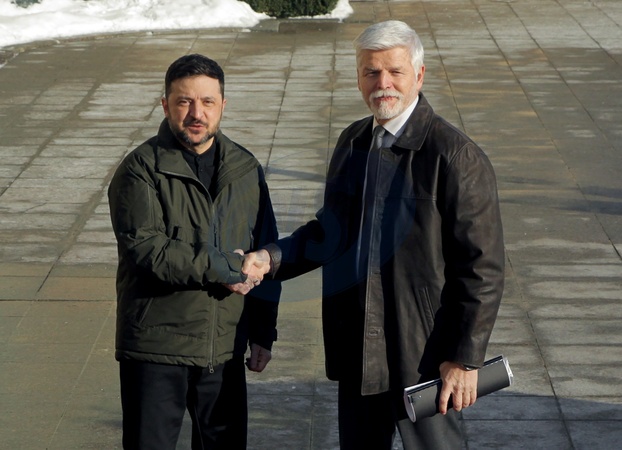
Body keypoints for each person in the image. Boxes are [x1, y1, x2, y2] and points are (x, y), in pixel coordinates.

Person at [245, 20, 505, 449]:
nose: (383, 83)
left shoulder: (455, 156)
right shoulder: (353, 141)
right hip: (359, 351)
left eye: (395, 71)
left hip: (423, 355)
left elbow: (484, 270)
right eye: (371, 72)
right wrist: (271, 258)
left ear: (419, 75)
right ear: (358, 77)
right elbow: (329, 233)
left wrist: (463, 357)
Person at [108, 53, 279, 450]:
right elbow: (148, 250)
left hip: (223, 347)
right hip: (156, 348)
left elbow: (265, 252)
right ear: (165, 104)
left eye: (207, 102)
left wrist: (263, 332)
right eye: (184, 101)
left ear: (223, 105)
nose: (196, 113)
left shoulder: (245, 168)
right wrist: (227, 267)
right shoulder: (140, 169)